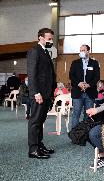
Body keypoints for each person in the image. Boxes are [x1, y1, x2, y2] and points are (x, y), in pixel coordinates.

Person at [27, 28, 56, 159]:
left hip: (46, 93)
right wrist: (35, 92)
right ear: (41, 38)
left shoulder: (45, 52)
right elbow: (32, 74)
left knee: (41, 121)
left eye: (52, 38)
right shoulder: (34, 51)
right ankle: (33, 149)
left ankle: (39, 145)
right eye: (49, 38)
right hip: (39, 93)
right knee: (35, 121)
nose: (51, 41)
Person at [69, 44, 100, 128]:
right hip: (77, 92)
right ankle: (75, 135)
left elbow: (97, 77)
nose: (81, 52)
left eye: (83, 50)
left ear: (88, 51)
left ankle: (85, 134)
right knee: (76, 114)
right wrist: (79, 83)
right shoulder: (75, 63)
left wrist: (89, 85)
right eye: (80, 50)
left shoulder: (94, 63)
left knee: (88, 115)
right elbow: (71, 76)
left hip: (90, 93)